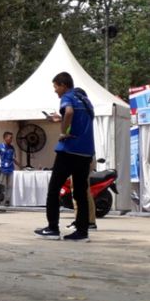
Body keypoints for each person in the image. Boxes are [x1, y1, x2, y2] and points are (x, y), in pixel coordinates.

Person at [35, 73, 94, 241]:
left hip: (69, 150)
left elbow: (69, 112)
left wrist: (62, 132)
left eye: (56, 87)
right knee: (81, 193)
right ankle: (82, 232)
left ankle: (53, 228)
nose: (56, 91)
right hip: (86, 152)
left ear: (63, 85)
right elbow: (77, 120)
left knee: (54, 189)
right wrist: (59, 119)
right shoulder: (85, 100)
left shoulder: (68, 97)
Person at [0, 131, 20, 206]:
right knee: (0, 185)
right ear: (5, 138)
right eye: (10, 138)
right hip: (1, 168)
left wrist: (20, 166)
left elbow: (13, 158)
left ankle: (7, 200)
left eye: (12, 138)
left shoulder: (12, 148)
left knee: (9, 186)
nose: (11, 139)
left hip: (10, 168)